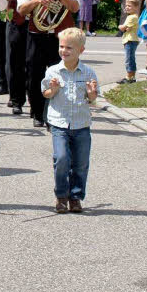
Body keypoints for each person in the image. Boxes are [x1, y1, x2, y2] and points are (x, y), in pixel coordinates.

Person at [17, 0, 81, 128]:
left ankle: (58, 114)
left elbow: (75, 8)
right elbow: (21, 10)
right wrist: (37, 0)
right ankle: (37, 113)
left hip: (61, 39)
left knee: (61, 75)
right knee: (35, 75)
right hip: (37, 36)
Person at [41, 27, 99, 214]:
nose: (64, 51)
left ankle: (76, 197)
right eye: (62, 46)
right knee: (62, 159)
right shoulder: (53, 71)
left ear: (81, 50)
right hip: (59, 123)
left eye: (69, 48)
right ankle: (61, 196)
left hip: (81, 124)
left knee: (81, 163)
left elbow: (92, 98)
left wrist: (91, 94)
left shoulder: (88, 73)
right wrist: (53, 89)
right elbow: (46, 94)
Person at [1, 0, 39, 116]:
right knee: (15, 62)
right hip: (16, 22)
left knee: (33, 65)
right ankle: (16, 100)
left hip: (37, 24)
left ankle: (35, 103)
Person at [118, 0, 141, 84]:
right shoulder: (131, 16)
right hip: (129, 39)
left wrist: (120, 27)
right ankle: (132, 76)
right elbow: (126, 28)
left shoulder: (132, 17)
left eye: (129, 6)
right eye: (126, 5)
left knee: (129, 59)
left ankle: (129, 77)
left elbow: (123, 28)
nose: (127, 7)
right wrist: (125, 28)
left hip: (130, 40)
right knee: (131, 58)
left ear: (136, 7)